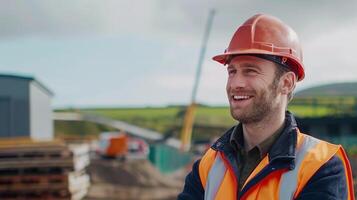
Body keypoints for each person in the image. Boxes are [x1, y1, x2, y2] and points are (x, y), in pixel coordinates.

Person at [178, 14, 354, 200]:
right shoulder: (209, 165)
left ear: (286, 83)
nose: (236, 83)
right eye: (232, 72)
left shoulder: (322, 165)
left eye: (250, 71)